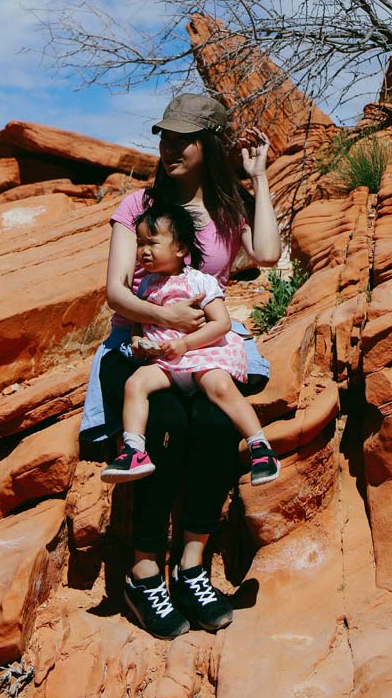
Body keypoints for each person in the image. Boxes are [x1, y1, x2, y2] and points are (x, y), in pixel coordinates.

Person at [78, 92, 282, 640]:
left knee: (216, 427)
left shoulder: (227, 207)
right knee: (164, 428)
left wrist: (259, 178)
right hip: (140, 343)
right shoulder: (138, 208)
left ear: (208, 144)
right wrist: (164, 314)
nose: (168, 147)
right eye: (164, 136)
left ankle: (191, 568)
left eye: (182, 139)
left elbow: (265, 254)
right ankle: (144, 575)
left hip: (206, 348)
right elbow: (116, 293)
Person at [100, 201, 280, 487]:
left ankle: (260, 447)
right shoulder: (145, 285)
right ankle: (135, 450)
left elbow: (220, 324)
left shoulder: (201, 282)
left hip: (202, 354)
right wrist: (137, 340)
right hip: (166, 361)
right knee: (135, 384)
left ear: (181, 248)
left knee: (220, 387)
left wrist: (185, 344)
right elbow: (137, 319)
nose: (143, 251)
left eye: (153, 243)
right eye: (140, 243)